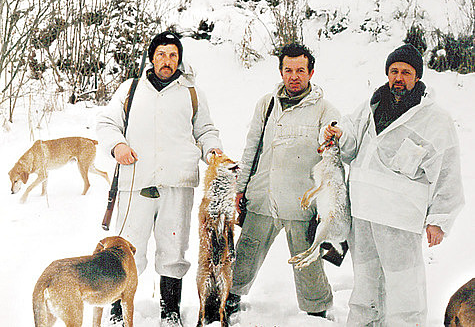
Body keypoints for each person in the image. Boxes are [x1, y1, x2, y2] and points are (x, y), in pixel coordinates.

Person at [323, 43, 464, 326]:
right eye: (394, 71)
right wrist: (338, 134)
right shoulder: (373, 103)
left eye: (406, 72)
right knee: (365, 288)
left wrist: (438, 220)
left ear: (417, 77)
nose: (398, 78)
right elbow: (352, 138)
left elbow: (448, 172)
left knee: (404, 292)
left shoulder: (435, 119)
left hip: (398, 220)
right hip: (362, 213)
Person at [96, 31, 223, 327]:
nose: (167, 61)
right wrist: (118, 145)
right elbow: (106, 123)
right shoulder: (131, 88)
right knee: (125, 247)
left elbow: (205, 131)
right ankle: (117, 311)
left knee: (173, 248)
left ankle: (170, 312)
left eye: (173, 55)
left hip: (177, 184)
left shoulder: (192, 92)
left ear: (179, 59)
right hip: (135, 181)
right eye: (162, 54)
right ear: (152, 57)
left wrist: (213, 149)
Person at [227, 43, 340, 319]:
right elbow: (251, 147)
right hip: (262, 196)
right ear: (280, 71)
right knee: (245, 255)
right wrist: (240, 188)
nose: (294, 76)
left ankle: (317, 311)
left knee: (307, 263)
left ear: (311, 72)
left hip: (301, 203)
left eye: (300, 70)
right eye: (288, 70)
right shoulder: (266, 104)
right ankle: (229, 300)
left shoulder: (325, 109)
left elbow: (336, 153)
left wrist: (335, 137)